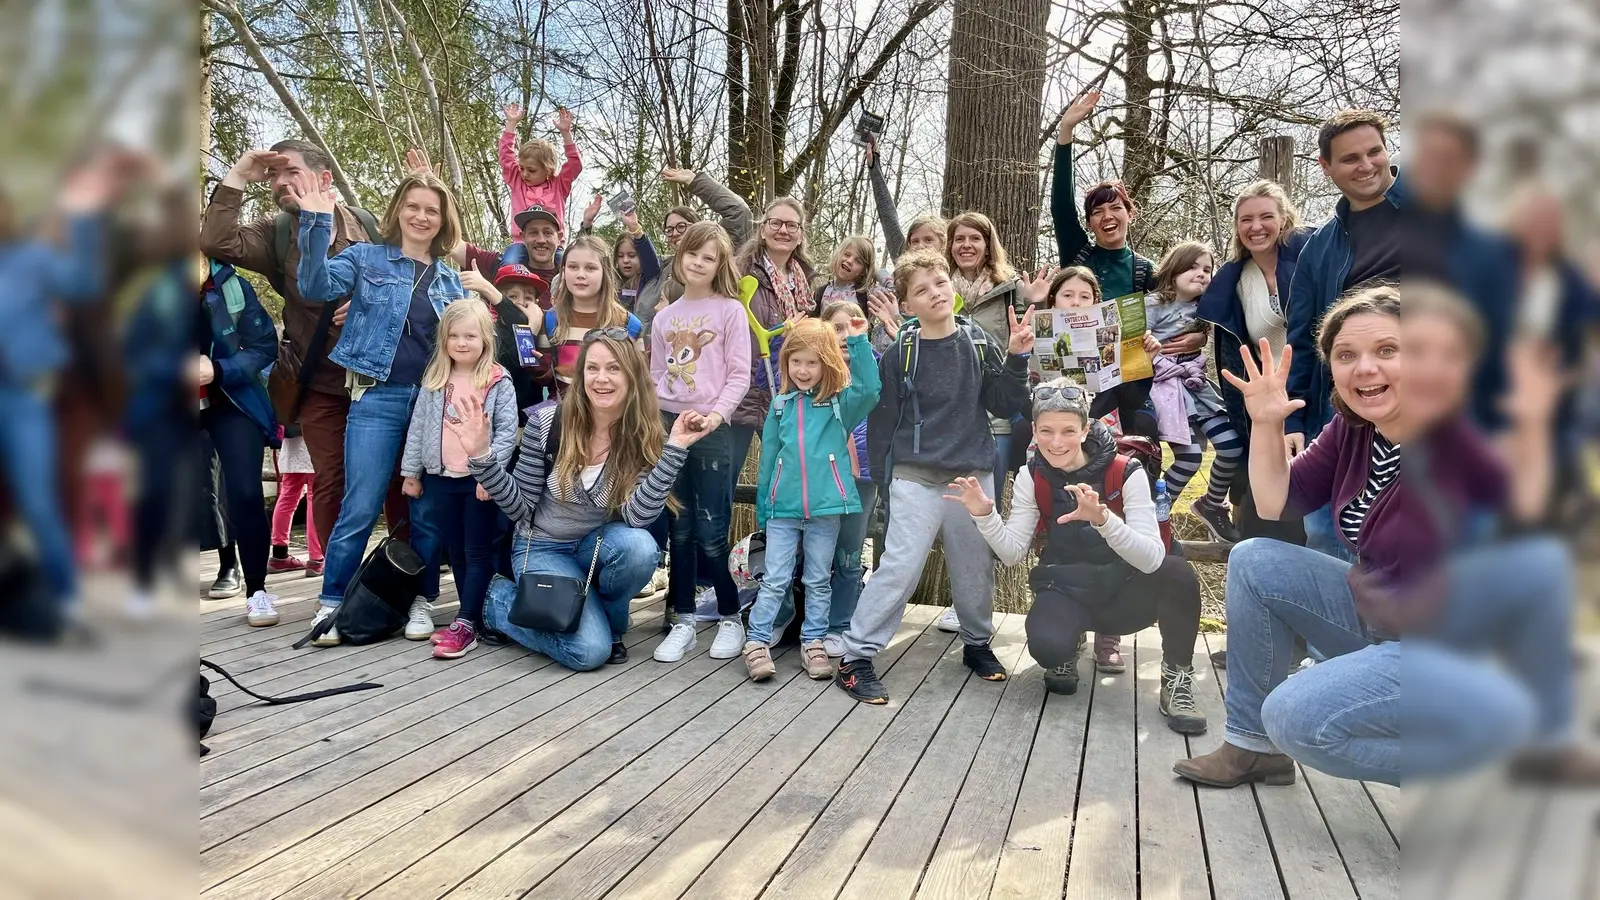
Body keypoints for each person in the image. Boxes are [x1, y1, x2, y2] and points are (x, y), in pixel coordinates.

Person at [1176, 285, 1600, 787]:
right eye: (1346, 355)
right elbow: (1273, 503)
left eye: (1387, 350)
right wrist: (1266, 423)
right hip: (1385, 619)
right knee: (1255, 560)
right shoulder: (1354, 431)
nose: (1365, 368)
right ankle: (1250, 750)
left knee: (1295, 717)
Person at [944, 379, 1206, 731]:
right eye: (1046, 431)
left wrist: (1104, 521)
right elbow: (1011, 553)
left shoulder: (1126, 471)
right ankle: (1068, 645)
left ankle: (1176, 677)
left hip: (1127, 594)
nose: (1056, 442)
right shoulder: (1031, 476)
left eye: (1068, 430)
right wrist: (985, 516)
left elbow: (1151, 559)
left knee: (1177, 573)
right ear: (1034, 432)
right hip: (1069, 588)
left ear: (1085, 429)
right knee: (1048, 648)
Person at [835, 250, 1031, 705]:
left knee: (973, 564)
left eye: (940, 283)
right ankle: (856, 656)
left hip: (971, 475)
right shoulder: (901, 352)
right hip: (915, 474)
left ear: (952, 288)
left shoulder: (978, 341)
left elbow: (1003, 403)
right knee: (901, 564)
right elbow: (883, 420)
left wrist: (1018, 358)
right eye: (922, 290)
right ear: (907, 305)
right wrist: (883, 480)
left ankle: (976, 643)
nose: (935, 293)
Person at [201, 142, 411, 562]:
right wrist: (239, 176)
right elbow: (216, 240)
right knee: (330, 480)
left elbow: (415, 280)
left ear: (324, 178)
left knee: (394, 477)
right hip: (319, 382)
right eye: (274, 175)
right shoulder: (276, 234)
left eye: (290, 172)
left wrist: (373, 301)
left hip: (378, 381)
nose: (279, 182)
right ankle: (339, 579)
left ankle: (401, 573)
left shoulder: (370, 227)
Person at [289, 169, 468, 646]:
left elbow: (467, 345)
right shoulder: (365, 257)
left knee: (424, 510)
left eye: (432, 210)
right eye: (413, 206)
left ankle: (420, 600)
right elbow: (315, 285)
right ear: (398, 211)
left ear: (443, 219)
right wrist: (316, 222)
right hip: (377, 396)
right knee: (361, 504)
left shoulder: (450, 281)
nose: (421, 216)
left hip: (432, 404)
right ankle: (333, 600)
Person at [459, 333, 707, 670]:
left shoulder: (643, 435)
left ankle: (606, 623)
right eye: (593, 368)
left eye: (614, 368)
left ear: (632, 376)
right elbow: (519, 508)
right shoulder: (547, 424)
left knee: (640, 548)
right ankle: (497, 603)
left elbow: (637, 517)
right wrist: (482, 458)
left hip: (597, 547)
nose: (601, 378)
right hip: (544, 547)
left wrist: (674, 449)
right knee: (588, 652)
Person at [0, 159, 115, 635]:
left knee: (38, 502)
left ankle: (66, 607)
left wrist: (85, 220)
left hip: (21, 399)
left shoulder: (31, 258)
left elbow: (85, 283)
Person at [1282, 109, 1401, 560]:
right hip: (1344, 410)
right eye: (1350, 158)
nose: (1367, 165)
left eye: (1375, 152)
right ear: (1326, 167)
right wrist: (1293, 419)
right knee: (1326, 535)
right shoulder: (1318, 249)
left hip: (1428, 408)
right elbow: (1302, 340)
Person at [745, 316, 881, 681]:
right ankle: (756, 641)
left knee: (819, 579)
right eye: (796, 361)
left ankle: (813, 641)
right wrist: (764, 509)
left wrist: (858, 342)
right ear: (786, 362)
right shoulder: (779, 406)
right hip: (782, 511)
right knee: (775, 578)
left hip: (825, 511)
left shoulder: (840, 407)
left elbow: (869, 389)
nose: (803, 370)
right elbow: (768, 461)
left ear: (828, 365)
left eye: (812, 362)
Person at [650, 222, 754, 661]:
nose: (698, 262)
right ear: (680, 256)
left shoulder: (730, 311)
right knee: (680, 527)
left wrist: (714, 416)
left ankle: (730, 617)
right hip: (670, 427)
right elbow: (657, 375)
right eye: (692, 253)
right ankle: (685, 620)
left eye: (708, 257)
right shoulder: (663, 318)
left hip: (712, 428)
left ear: (719, 265)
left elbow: (739, 374)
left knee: (712, 529)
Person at [401, 300, 518, 657]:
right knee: (456, 551)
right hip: (441, 478)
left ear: (485, 339)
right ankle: (473, 619)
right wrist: (411, 472)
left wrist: (490, 476)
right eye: (454, 336)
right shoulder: (436, 379)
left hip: (478, 482)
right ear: (443, 339)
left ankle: (467, 621)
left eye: (470, 336)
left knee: (479, 550)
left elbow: (506, 433)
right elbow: (418, 428)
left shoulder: (497, 380)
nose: (462, 343)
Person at [1197, 179, 1311, 545]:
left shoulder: (1311, 260)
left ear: (1284, 219)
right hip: (1266, 407)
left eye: (1266, 217)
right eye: (1246, 219)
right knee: (1271, 507)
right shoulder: (1233, 282)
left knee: (1316, 505)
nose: (1256, 227)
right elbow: (1232, 357)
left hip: (1315, 395)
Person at [1049, 90, 1162, 439]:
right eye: (1097, 212)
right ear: (1089, 222)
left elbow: (1171, 318)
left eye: (1115, 208)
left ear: (1130, 213)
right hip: (1078, 378)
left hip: (1130, 382)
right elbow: (1061, 206)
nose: (1107, 216)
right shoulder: (1079, 256)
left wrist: (1167, 340)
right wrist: (1066, 131)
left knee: (1144, 432)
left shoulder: (1146, 270)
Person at [193, 259, 283, 627]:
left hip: (230, 400)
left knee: (245, 493)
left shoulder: (231, 284)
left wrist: (218, 370)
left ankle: (257, 591)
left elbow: (264, 346)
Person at [1142, 240, 1243, 542]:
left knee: (1231, 446)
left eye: (1207, 270)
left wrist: (1201, 337)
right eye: (1192, 267)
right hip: (1165, 387)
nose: (1201, 274)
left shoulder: (1205, 309)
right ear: (1173, 270)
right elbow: (1133, 345)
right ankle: (1154, 517)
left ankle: (1211, 504)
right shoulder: (1153, 304)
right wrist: (1151, 349)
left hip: (1196, 384)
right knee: (1189, 459)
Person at [731, 196, 818, 480]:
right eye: (776, 223)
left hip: (784, 392)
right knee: (724, 479)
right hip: (742, 392)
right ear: (762, 229)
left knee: (785, 478)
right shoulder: (739, 272)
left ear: (800, 234)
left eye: (792, 225)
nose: (783, 230)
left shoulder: (805, 281)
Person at [945, 212, 1026, 489]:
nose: (966, 245)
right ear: (950, 246)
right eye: (959, 239)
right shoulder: (938, 289)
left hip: (996, 412)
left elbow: (1027, 342)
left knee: (990, 496)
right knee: (949, 497)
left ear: (988, 244)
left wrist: (1038, 302)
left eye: (975, 238)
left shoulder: (1011, 288)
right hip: (948, 410)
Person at [535, 234, 644, 398]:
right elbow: (544, 379)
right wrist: (536, 363)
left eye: (590, 268)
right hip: (564, 409)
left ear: (605, 272)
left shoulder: (628, 324)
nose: (580, 274)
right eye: (573, 267)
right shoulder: (551, 320)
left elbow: (640, 380)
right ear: (563, 271)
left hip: (612, 410)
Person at [458, 261, 548, 418]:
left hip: (532, 417)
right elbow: (509, 364)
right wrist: (530, 329)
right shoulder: (491, 333)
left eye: (528, 297)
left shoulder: (545, 330)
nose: (521, 302)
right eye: (512, 297)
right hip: (499, 419)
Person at [497, 103, 581, 245]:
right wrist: (511, 123)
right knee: (510, 258)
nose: (524, 174)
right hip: (522, 244)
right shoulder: (517, 181)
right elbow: (506, 156)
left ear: (548, 170)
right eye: (522, 168)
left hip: (553, 245)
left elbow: (575, 164)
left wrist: (566, 134)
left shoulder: (559, 186)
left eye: (532, 170)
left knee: (566, 260)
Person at [864, 136, 947, 260]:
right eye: (915, 241)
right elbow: (888, 217)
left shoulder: (952, 269)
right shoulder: (904, 260)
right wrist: (874, 164)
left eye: (928, 240)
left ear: (943, 243)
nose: (920, 246)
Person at [268, 429, 322, 576]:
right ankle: (316, 558)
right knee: (315, 496)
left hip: (292, 440)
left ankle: (279, 554)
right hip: (316, 439)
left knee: (287, 497)